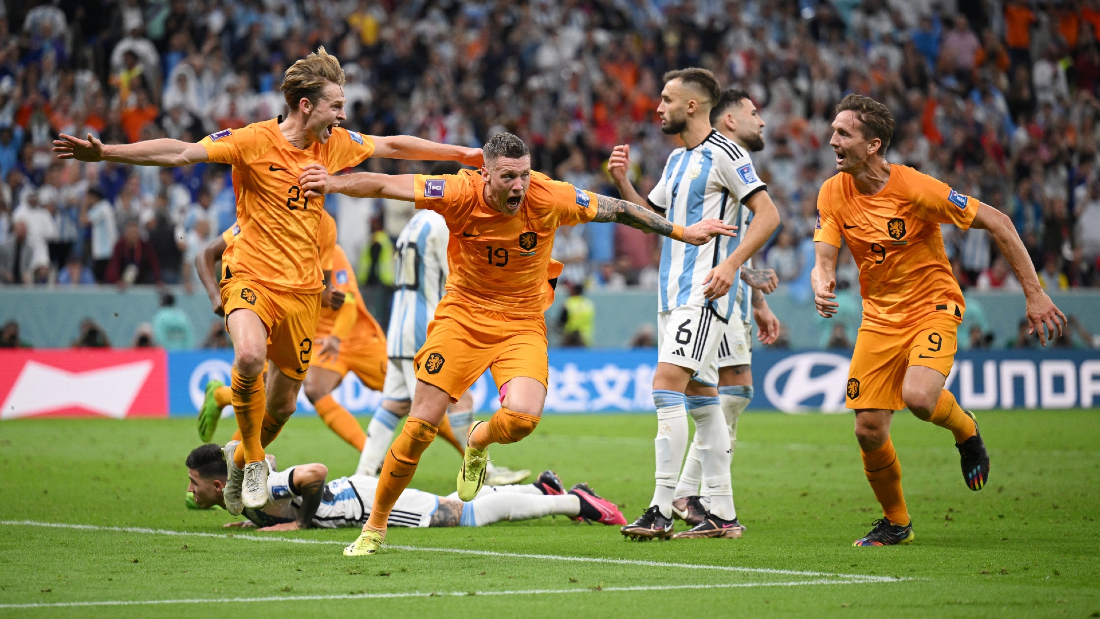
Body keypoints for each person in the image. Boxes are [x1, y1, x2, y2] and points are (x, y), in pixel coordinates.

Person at [55, 47, 482, 516]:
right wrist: (107, 152)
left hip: (303, 294)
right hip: (251, 276)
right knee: (249, 355)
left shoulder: (334, 144)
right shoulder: (253, 140)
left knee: (281, 408)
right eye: (336, 105)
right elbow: (181, 152)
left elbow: (393, 147)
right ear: (307, 105)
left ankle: (239, 459)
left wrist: (462, 153)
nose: (343, 115)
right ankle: (255, 459)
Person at [297, 131, 734, 555]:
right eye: (508, 176)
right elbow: (383, 184)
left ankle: (477, 440)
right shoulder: (457, 192)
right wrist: (332, 182)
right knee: (419, 427)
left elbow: (618, 209)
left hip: (522, 322)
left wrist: (683, 232)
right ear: (485, 174)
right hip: (463, 318)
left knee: (523, 418)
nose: (519, 185)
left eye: (524, 174)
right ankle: (374, 527)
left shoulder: (551, 196)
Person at [811, 94, 1065, 547]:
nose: (832, 140)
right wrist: (822, 281)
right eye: (833, 131)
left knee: (919, 397)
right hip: (879, 317)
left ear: (873, 145)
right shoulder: (832, 191)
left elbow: (1000, 222)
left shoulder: (914, 188)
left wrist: (1034, 293)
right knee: (868, 429)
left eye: (843, 133)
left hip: (933, 305)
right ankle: (897, 523)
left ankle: (966, 430)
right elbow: (824, 258)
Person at [607, 71, 780, 540]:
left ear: (691, 106)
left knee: (666, 386)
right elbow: (653, 221)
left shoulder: (728, 154)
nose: (657, 107)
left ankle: (661, 508)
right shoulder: (676, 159)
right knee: (704, 400)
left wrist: (732, 266)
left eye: (666, 99)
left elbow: (768, 215)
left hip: (702, 295)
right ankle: (721, 514)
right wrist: (623, 183)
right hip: (671, 294)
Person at [355, 161, 529, 486]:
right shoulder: (445, 223)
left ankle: (363, 475)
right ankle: (485, 475)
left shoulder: (415, 221)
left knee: (393, 403)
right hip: (427, 327)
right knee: (456, 401)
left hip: (400, 327)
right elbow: (459, 278)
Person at [664, 88, 784, 532]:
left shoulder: (735, 163)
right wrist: (739, 274)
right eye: (753, 112)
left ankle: (699, 496)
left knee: (732, 392)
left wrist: (756, 296)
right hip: (707, 292)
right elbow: (706, 241)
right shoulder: (711, 159)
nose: (762, 121)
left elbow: (737, 238)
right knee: (715, 392)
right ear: (729, 119)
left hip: (730, 292)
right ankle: (692, 494)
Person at [185, 443, 626, 531]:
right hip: (359, 494)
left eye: (193, 482)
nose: (190, 491)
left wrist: (300, 524)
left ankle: (577, 503)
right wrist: (259, 522)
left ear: (219, 484)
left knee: (466, 516)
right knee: (450, 502)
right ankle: (541, 489)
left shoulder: (259, 488)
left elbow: (314, 472)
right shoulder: (243, 499)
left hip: (365, 503)